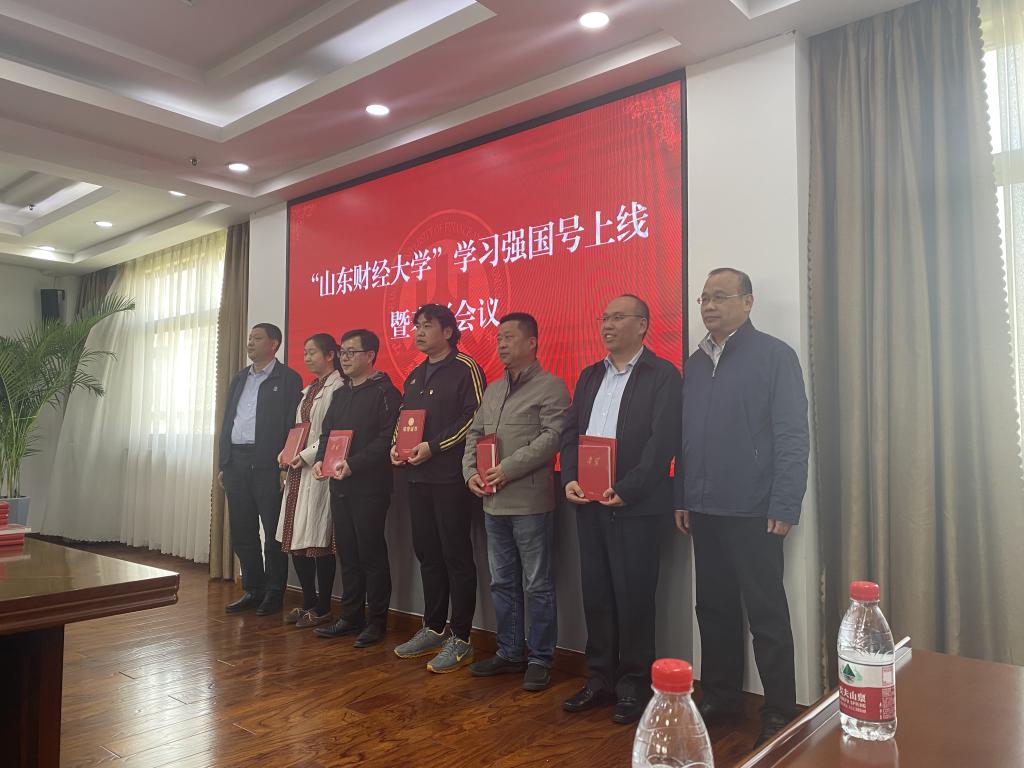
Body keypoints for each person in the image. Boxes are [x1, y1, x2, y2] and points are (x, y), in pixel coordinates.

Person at [675, 268, 809, 750]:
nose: (709, 306)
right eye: (703, 298)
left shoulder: (774, 355)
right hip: (704, 507)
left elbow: (792, 433)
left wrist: (785, 501)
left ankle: (780, 711)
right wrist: (683, 495)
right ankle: (721, 697)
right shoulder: (694, 363)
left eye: (720, 297)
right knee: (713, 609)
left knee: (766, 613)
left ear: (747, 302)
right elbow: (686, 437)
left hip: (755, 508)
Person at [560, 294, 681, 724]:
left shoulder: (661, 375)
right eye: (604, 317)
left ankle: (633, 685)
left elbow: (662, 443)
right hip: (589, 504)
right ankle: (600, 679)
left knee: (634, 599)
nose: (607, 325)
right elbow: (571, 431)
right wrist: (569, 477)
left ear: (642, 325)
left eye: (617, 317)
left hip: (635, 507)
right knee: (596, 595)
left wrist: (628, 489)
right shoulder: (590, 375)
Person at [463, 313, 569, 692]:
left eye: (509, 337)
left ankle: (540, 658)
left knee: (537, 584)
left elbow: (552, 438)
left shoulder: (552, 387)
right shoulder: (493, 390)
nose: (501, 344)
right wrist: (469, 473)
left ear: (532, 342)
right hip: (492, 504)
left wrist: (507, 469)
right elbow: (474, 434)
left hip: (530, 505)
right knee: (502, 582)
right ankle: (509, 652)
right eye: (498, 338)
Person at [390, 304, 485, 673]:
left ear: (447, 331)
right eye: (416, 325)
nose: (418, 331)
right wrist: (396, 447)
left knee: (456, 555)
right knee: (428, 553)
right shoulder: (414, 375)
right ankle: (432, 627)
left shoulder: (465, 368)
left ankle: (461, 637)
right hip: (416, 477)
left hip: (449, 477)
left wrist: (435, 446)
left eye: (427, 325)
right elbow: (404, 420)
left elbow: (474, 417)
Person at [312, 329, 401, 648]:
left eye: (352, 352)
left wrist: (354, 464)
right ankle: (350, 617)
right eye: (342, 352)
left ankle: (376, 621)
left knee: (371, 554)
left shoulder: (386, 392)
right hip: (339, 484)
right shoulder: (341, 393)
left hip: (370, 486)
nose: (345, 358)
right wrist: (321, 461)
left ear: (370, 355)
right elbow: (327, 434)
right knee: (348, 553)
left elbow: (387, 439)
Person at [218, 323, 303, 615]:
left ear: (274, 344)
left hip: (269, 464)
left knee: (272, 532)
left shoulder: (288, 378)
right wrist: (224, 462)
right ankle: (253, 589)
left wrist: (284, 465)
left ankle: (274, 592)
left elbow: (293, 425)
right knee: (242, 531)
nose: (250, 343)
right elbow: (228, 420)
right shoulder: (240, 378)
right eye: (249, 338)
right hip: (236, 462)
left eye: (257, 338)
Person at [276, 333, 345, 628]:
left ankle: (323, 606)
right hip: (297, 470)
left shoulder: (338, 387)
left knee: (318, 538)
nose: (306, 357)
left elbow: (331, 433)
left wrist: (304, 455)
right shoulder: (309, 389)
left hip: (319, 469)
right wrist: (287, 452)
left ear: (330, 355)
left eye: (312, 352)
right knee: (296, 537)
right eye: (304, 352)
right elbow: (299, 429)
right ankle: (307, 601)